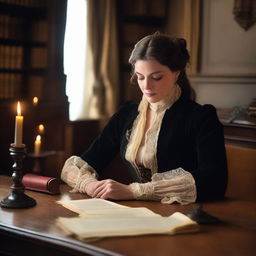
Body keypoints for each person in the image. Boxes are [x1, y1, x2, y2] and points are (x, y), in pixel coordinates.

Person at [61, 32, 227, 205]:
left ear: (176, 72)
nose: (146, 86)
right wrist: (89, 185)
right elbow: (79, 165)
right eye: (140, 77)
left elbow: (214, 180)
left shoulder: (201, 117)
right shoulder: (127, 114)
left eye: (156, 77)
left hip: (185, 213)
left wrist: (133, 190)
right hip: (138, 211)